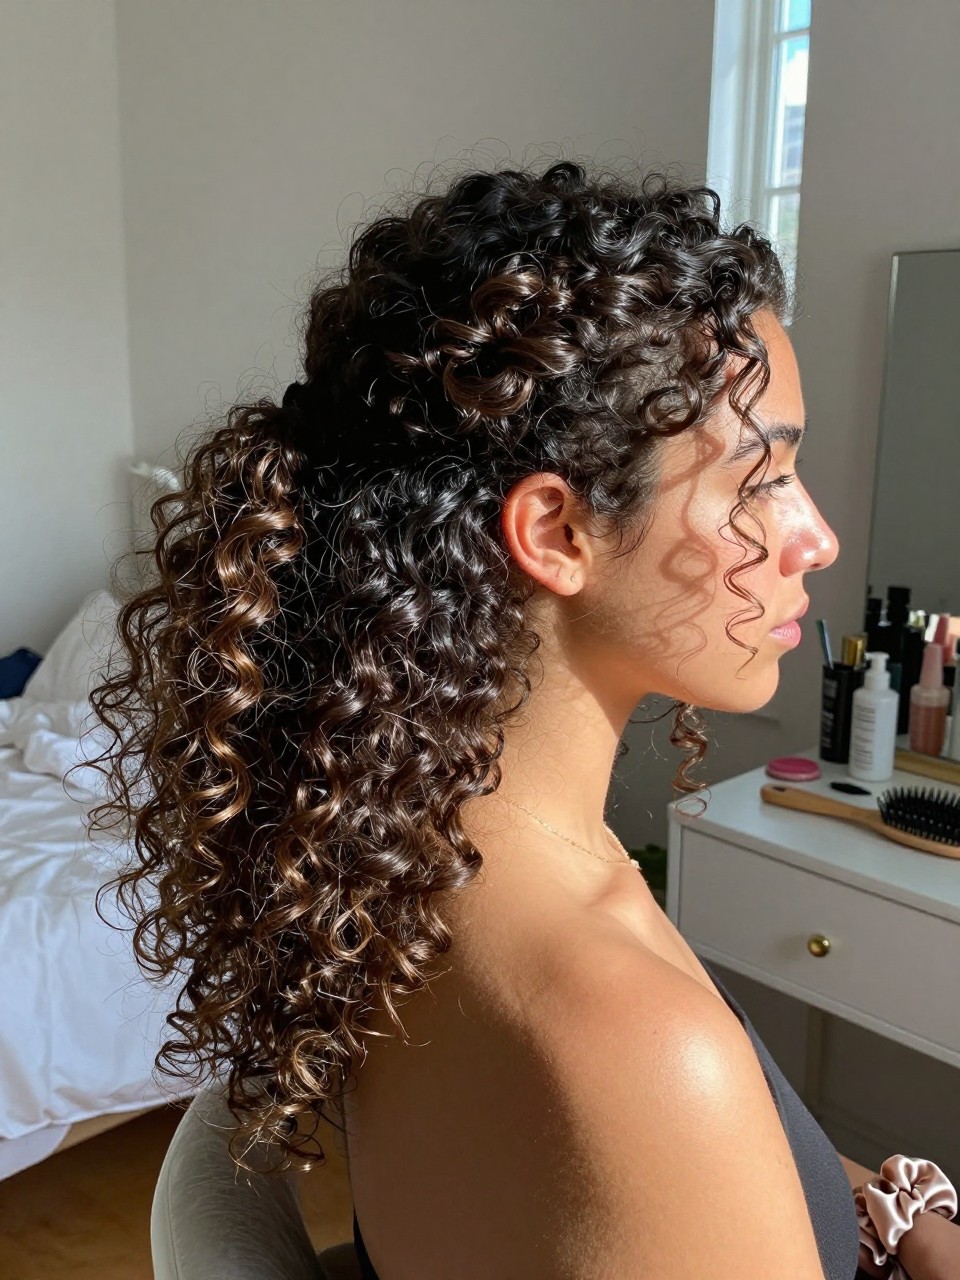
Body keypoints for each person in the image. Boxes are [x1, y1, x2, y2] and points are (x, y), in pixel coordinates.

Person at [84, 158, 956, 1279]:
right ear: (556, 531)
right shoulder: (630, 1044)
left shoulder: (404, 857)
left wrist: (890, 1217)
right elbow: (667, 1120)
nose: (817, 536)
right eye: (759, 479)